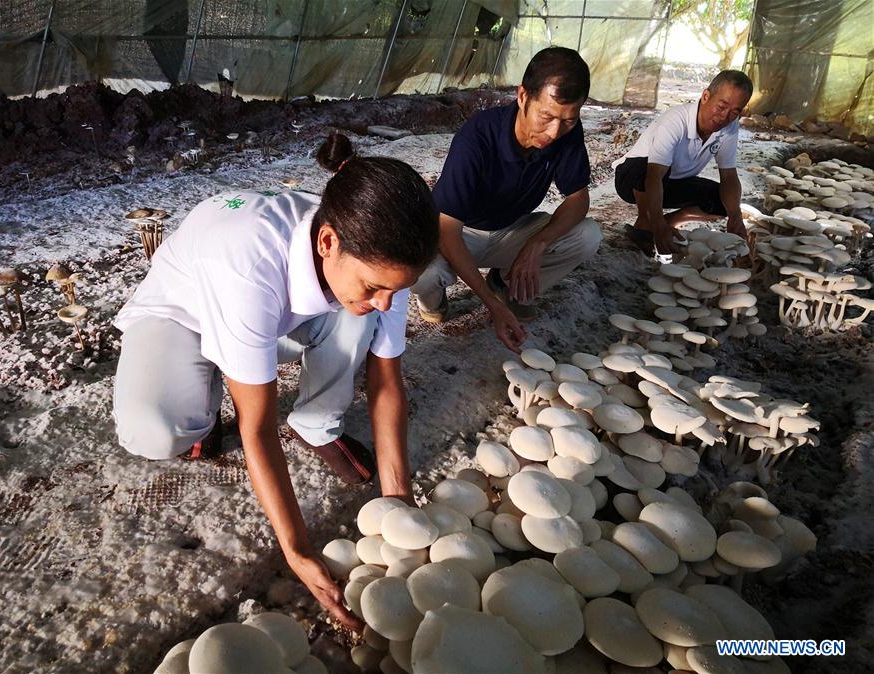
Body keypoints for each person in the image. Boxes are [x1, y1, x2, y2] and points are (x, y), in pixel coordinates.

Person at [112, 133, 438, 630]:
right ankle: (207, 387)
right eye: (377, 286)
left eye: (396, 290)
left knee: (359, 315)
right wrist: (297, 548)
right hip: (185, 317)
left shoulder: (374, 257)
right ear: (327, 242)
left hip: (271, 320)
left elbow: (386, 381)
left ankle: (314, 421)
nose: (387, 302)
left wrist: (399, 503)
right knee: (155, 430)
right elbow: (257, 428)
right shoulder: (249, 262)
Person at [410, 46, 602, 351]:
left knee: (587, 235)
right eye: (547, 116)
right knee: (422, 273)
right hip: (460, 233)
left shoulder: (568, 132)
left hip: (510, 230)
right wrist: (491, 307)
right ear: (523, 96)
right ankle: (434, 299)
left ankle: (504, 283)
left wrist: (536, 244)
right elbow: (447, 230)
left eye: (568, 120)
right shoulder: (477, 138)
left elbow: (578, 198)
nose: (554, 132)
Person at [612, 69, 754, 256]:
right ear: (705, 96)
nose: (724, 117)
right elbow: (654, 176)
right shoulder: (676, 120)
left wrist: (735, 216)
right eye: (721, 106)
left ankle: (674, 219)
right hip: (633, 180)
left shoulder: (729, 127)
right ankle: (646, 224)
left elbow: (728, 175)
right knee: (646, 169)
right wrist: (656, 224)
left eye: (734, 112)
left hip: (673, 183)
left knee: (725, 202)